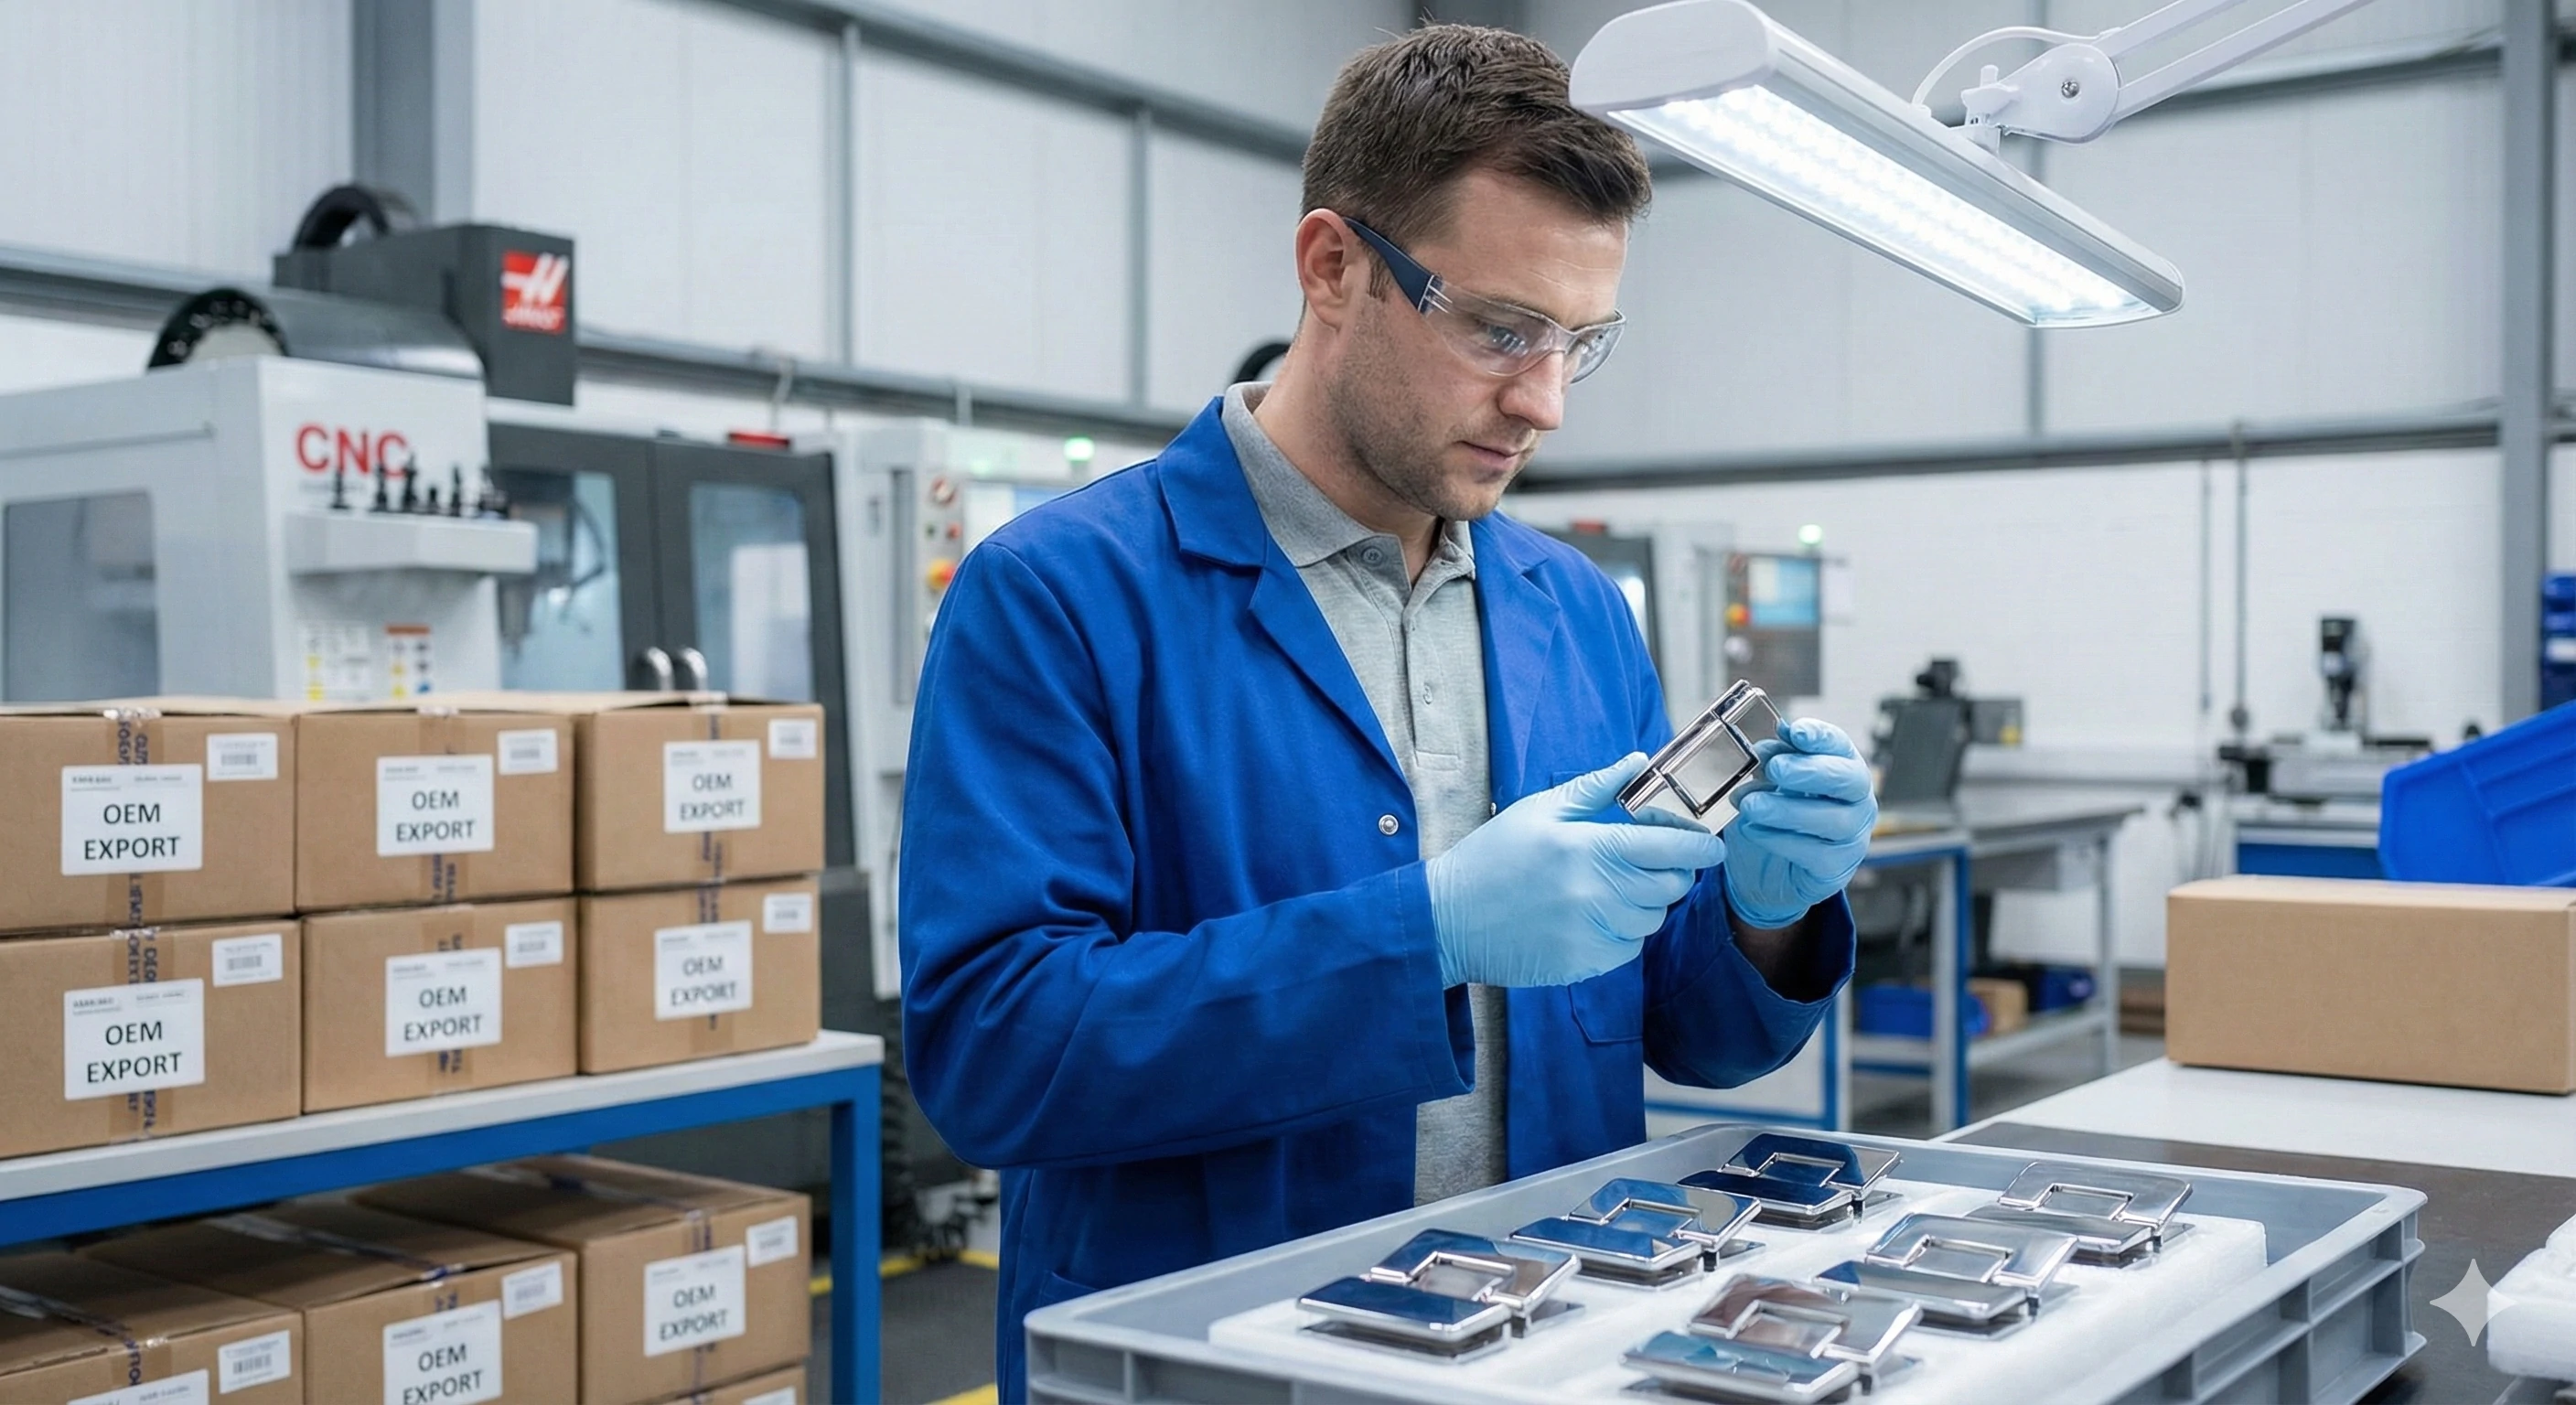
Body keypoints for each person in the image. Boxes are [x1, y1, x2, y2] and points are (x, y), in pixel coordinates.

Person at [900, 24, 1878, 1399]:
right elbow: (995, 1053)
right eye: (1499, 328)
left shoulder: (1578, 612)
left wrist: (1768, 913)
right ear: (1334, 266)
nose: (1541, 402)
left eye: (1580, 344)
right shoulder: (1060, 596)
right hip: (1212, 1359)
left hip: (1548, 1346)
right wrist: (1425, 935)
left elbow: (1692, 1033)